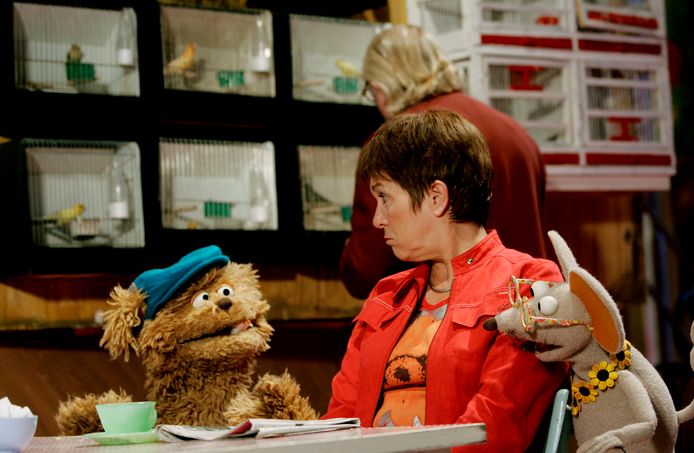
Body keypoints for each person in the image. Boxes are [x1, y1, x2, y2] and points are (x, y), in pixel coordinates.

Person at [323, 110, 568, 452]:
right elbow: (338, 422)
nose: (378, 219)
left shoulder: (528, 284)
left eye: (384, 197)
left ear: (436, 197)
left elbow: (496, 426)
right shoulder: (387, 295)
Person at [340, 24, 548, 299]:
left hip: (449, 311)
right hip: (532, 302)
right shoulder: (517, 134)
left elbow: (366, 269)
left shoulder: (392, 148)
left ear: (381, 88)